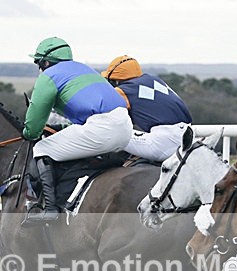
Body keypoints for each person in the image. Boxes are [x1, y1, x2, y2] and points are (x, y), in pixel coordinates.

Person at [21, 37, 133, 225]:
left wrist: (28, 133)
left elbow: (33, 126)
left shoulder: (49, 76)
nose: (39, 68)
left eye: (38, 63)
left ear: (46, 62)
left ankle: (50, 209)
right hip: (125, 128)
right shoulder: (84, 68)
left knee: (41, 148)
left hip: (101, 129)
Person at [101, 55, 192, 162]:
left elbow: (105, 117)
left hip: (163, 143)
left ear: (116, 81)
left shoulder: (122, 91)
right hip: (187, 138)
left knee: (108, 133)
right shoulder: (155, 80)